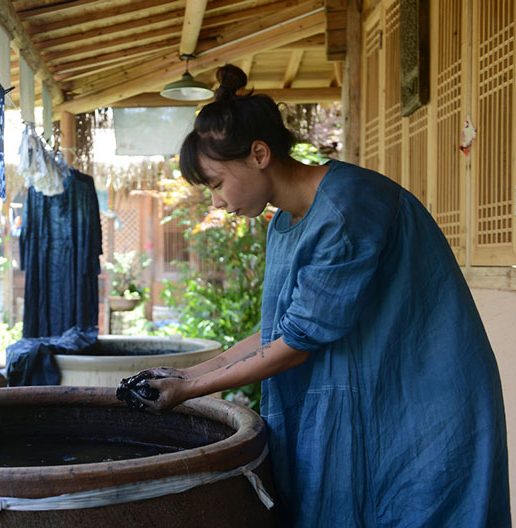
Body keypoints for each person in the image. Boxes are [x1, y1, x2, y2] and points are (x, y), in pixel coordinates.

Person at [128, 64, 510, 527]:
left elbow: (293, 347)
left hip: (422, 402)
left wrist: (189, 388)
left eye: (216, 183)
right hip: (371, 393)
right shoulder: (285, 223)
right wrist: (188, 373)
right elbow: (284, 329)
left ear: (259, 154)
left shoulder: (348, 207)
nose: (217, 203)